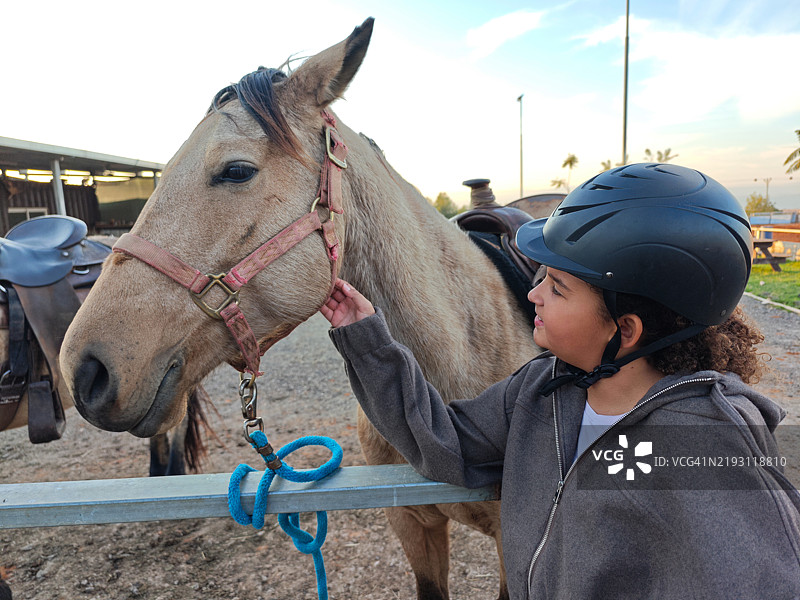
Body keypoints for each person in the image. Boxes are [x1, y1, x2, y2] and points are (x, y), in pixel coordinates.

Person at [321, 163, 800, 599]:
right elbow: (444, 440)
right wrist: (366, 341)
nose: (533, 294)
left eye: (556, 285)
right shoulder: (541, 391)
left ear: (625, 329)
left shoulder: (705, 441)